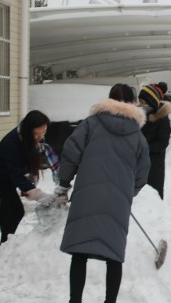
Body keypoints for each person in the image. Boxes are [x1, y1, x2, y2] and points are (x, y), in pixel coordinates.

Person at [54, 94, 150, 303]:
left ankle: (75, 300)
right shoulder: (137, 135)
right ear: (132, 103)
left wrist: (64, 182)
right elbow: (143, 171)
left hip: (87, 194)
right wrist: (129, 192)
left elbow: (71, 152)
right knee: (114, 253)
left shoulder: (91, 124)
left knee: (79, 251)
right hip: (118, 200)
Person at [0, 110, 56, 244]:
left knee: (9, 206)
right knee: (15, 209)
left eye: (43, 132)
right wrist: (38, 194)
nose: (40, 137)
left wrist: (28, 182)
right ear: (28, 131)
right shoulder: (13, 144)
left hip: (11, 170)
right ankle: (5, 241)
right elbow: (16, 174)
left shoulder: (31, 137)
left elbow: (25, 164)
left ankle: (5, 240)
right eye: (36, 134)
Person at [139, 83, 171, 199]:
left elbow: (163, 143)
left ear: (151, 102)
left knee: (153, 195)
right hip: (138, 163)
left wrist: (144, 148)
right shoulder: (139, 115)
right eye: (140, 101)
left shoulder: (162, 119)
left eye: (143, 102)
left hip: (154, 164)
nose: (140, 104)